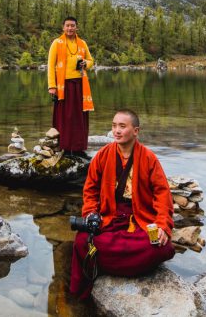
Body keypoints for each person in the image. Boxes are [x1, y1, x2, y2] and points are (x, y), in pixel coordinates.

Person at [69, 109, 175, 299]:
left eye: (122, 126)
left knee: (162, 247)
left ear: (136, 131)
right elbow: (90, 190)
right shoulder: (102, 155)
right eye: (114, 126)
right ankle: (91, 286)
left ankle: (105, 265)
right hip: (111, 213)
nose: (116, 131)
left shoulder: (149, 158)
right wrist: (91, 214)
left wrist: (163, 225)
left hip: (139, 214)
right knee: (82, 241)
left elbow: (162, 194)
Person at [47, 16, 95, 157]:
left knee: (79, 117)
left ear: (76, 27)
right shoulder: (57, 43)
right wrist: (52, 86)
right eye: (67, 25)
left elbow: (91, 61)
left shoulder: (82, 43)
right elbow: (50, 65)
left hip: (80, 85)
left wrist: (85, 63)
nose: (70, 28)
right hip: (63, 86)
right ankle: (66, 147)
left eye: (72, 25)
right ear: (63, 27)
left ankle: (79, 148)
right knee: (65, 117)